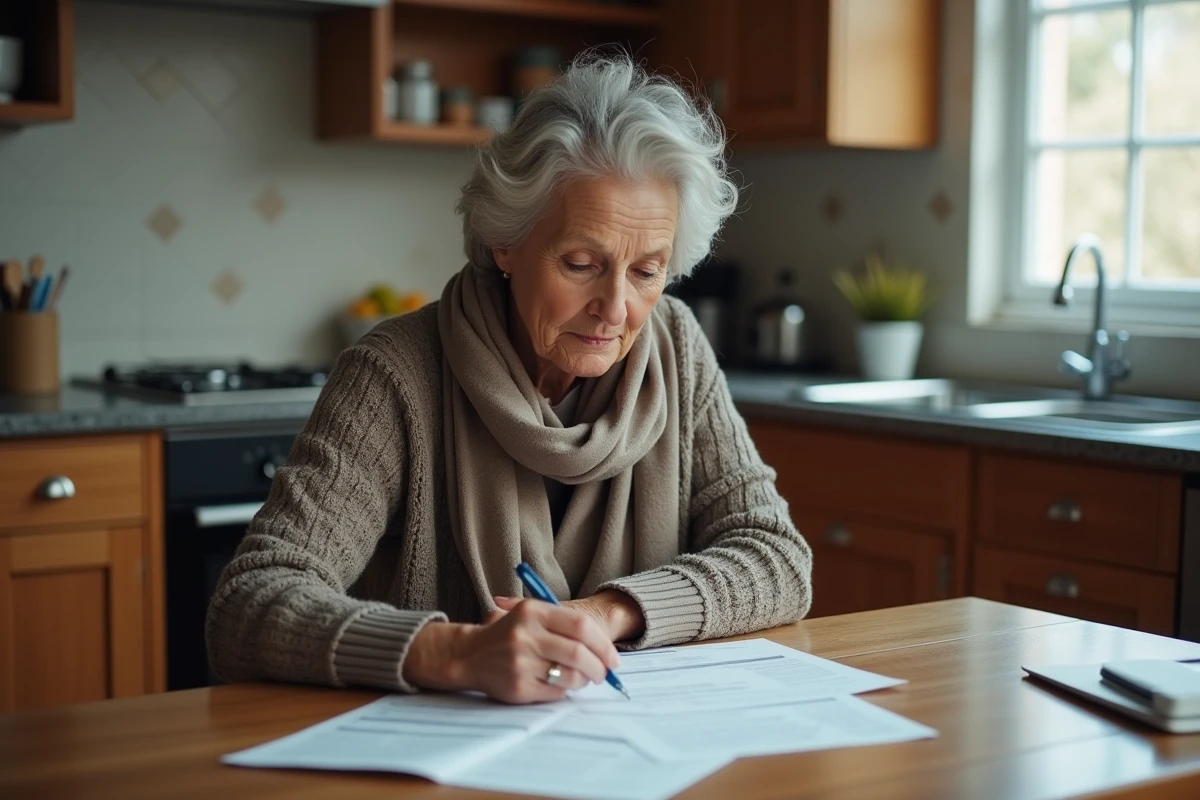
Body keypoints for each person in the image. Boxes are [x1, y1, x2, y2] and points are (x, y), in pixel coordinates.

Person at [206, 53, 812, 705]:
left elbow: (776, 558)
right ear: (506, 242)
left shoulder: (676, 347)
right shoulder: (394, 375)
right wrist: (456, 652)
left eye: (646, 272)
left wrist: (602, 616)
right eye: (581, 263)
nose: (615, 309)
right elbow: (248, 606)